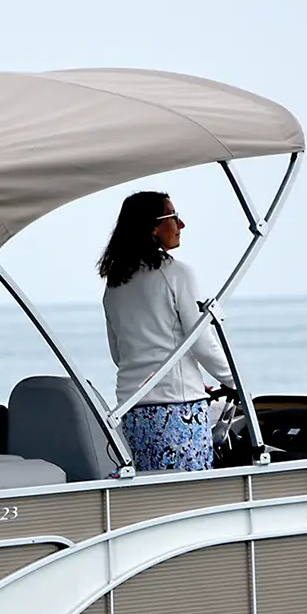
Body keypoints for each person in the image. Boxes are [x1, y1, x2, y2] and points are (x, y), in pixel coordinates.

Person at [99, 189, 236, 472]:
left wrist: (190, 381)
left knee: (152, 492)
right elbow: (201, 343)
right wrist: (236, 382)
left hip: (133, 409)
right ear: (152, 226)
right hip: (178, 411)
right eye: (173, 217)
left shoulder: (115, 284)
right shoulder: (177, 273)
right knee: (191, 495)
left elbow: (120, 354)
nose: (181, 225)